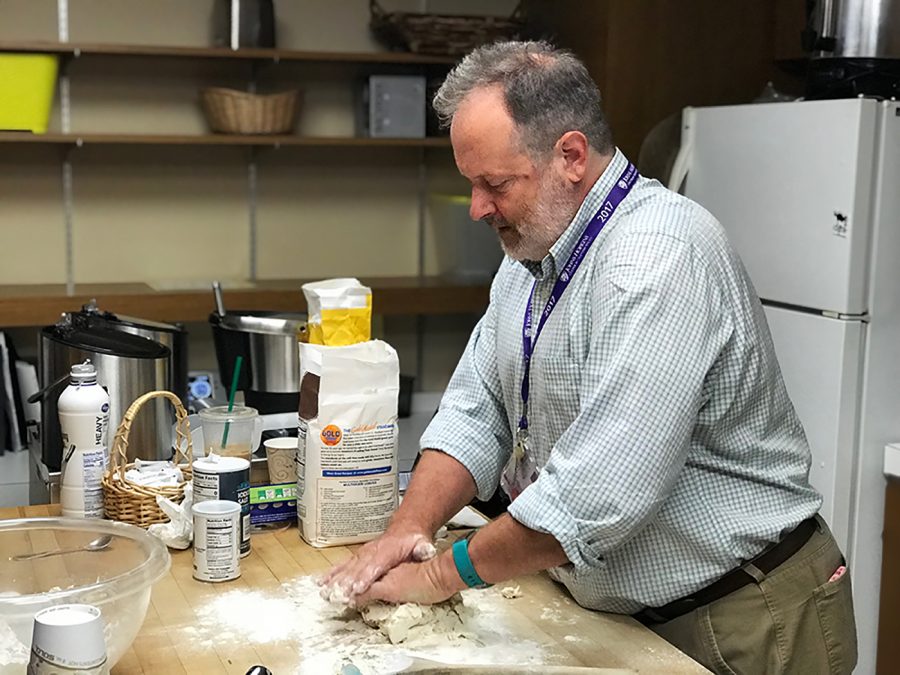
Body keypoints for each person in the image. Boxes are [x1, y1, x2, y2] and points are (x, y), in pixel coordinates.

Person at [322, 41, 857, 674]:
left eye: (493, 184)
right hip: (627, 611)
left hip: (745, 612)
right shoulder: (530, 253)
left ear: (570, 156)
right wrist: (407, 529)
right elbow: (478, 405)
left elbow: (594, 496)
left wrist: (442, 574)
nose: (476, 209)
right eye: (472, 184)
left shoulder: (659, 258)